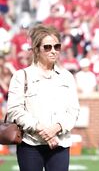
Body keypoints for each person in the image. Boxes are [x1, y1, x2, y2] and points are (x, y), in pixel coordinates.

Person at [6, 24, 80, 171]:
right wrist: (43, 131)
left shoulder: (67, 77)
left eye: (56, 47)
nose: (53, 51)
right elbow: (15, 110)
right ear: (36, 49)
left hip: (60, 143)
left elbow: (73, 111)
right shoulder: (21, 76)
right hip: (30, 144)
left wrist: (56, 128)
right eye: (47, 47)